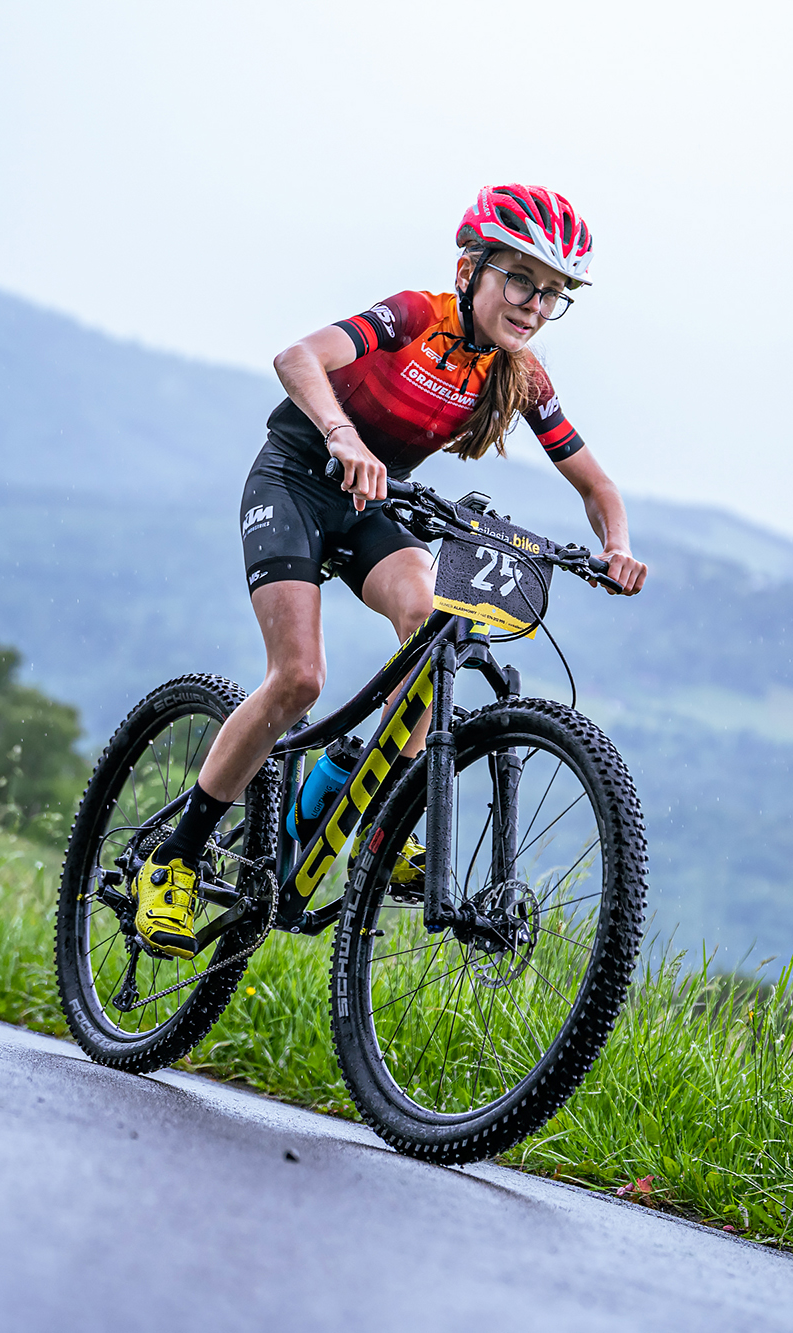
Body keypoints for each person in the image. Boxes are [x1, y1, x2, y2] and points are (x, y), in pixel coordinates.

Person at [131, 183, 648, 959]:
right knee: (299, 678)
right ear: (471, 270)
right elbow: (297, 357)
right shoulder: (416, 315)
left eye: (552, 293)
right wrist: (341, 435)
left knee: (432, 628)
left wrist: (617, 545)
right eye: (520, 280)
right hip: (297, 481)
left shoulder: (520, 375)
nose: (534, 305)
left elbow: (595, 484)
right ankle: (174, 860)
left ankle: (375, 810)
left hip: (375, 503)